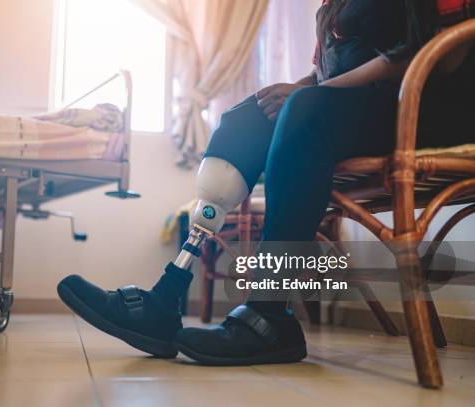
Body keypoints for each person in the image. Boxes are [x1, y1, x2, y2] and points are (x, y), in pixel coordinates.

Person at [57, 0, 475, 365]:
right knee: (246, 118)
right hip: (360, 107)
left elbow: (442, 51)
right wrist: (297, 89)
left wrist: (310, 95)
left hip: (432, 105)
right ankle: (166, 297)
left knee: (306, 112)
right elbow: (326, 74)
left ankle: (269, 315)